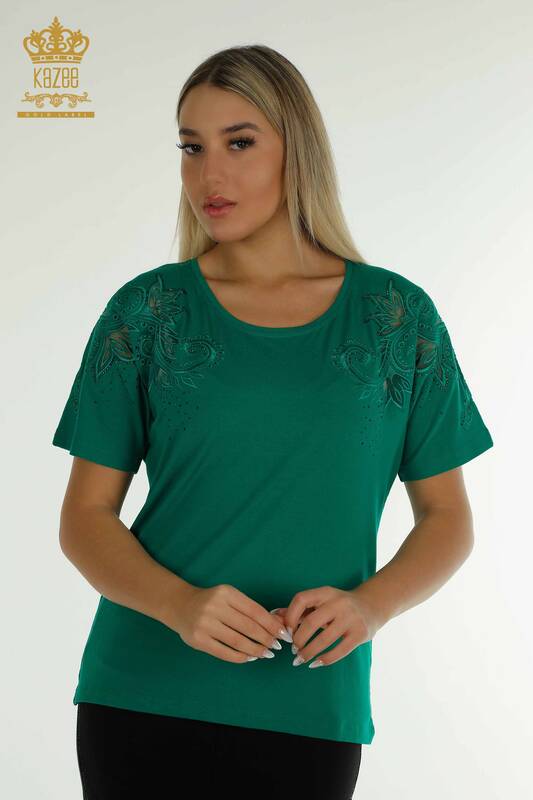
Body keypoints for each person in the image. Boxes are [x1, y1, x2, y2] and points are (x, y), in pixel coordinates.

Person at [52, 44, 494, 799]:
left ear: (298, 150)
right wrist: (179, 606)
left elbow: (448, 518)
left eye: (239, 142)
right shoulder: (148, 312)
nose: (208, 175)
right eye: (191, 147)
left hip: (310, 704)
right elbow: (84, 519)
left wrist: (371, 606)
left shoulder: (396, 318)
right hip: (141, 694)